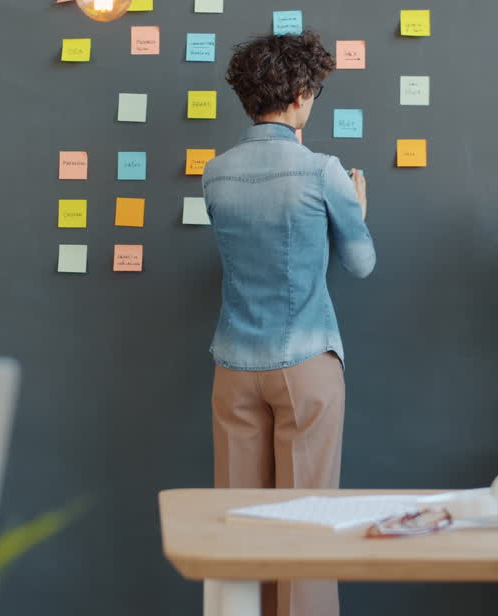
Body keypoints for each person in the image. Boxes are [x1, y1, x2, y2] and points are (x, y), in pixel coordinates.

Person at [201, 31, 375, 616]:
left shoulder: (215, 173)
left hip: (233, 368)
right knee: (305, 535)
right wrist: (358, 209)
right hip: (305, 368)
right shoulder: (322, 170)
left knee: (241, 533)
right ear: (300, 93)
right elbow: (361, 262)